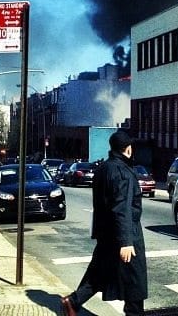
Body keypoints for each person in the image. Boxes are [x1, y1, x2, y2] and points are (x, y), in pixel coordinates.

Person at [61, 129, 147, 316]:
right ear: (128, 149)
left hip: (107, 234)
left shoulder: (104, 168)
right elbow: (121, 207)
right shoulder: (122, 171)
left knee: (99, 273)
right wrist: (126, 241)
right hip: (124, 234)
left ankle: (73, 302)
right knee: (135, 282)